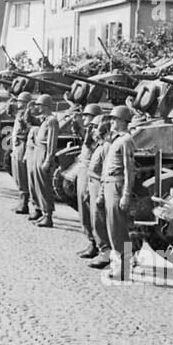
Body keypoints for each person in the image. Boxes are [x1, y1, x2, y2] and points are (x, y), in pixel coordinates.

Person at [101, 105, 136, 274]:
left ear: (123, 121)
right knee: (112, 227)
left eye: (115, 119)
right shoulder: (116, 139)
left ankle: (125, 267)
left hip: (117, 185)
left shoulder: (126, 140)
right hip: (109, 184)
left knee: (119, 228)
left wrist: (126, 195)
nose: (112, 122)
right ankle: (119, 265)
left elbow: (130, 169)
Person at [75, 103, 103, 259]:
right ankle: (91, 241)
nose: (84, 117)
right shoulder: (89, 132)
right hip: (83, 169)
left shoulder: (97, 134)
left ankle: (97, 244)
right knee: (83, 207)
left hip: (90, 173)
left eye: (87, 116)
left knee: (90, 207)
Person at [86, 115, 114, 267]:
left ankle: (106, 252)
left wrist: (101, 194)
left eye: (96, 128)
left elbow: (105, 172)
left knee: (101, 220)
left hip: (100, 186)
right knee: (95, 219)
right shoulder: (100, 145)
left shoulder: (107, 147)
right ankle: (102, 249)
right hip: (93, 185)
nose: (93, 131)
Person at [28, 94, 59, 228]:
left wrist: (48, 159)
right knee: (37, 184)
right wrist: (28, 111)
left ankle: (48, 215)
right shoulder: (44, 120)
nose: (37, 107)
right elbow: (28, 121)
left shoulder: (52, 121)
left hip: (44, 153)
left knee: (44, 185)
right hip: (37, 151)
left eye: (39, 105)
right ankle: (41, 210)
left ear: (46, 106)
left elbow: (52, 142)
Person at [9, 92, 33, 215]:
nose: (18, 103)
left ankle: (24, 203)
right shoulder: (20, 113)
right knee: (17, 174)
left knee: (22, 174)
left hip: (22, 145)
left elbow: (27, 131)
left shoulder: (28, 115)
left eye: (20, 101)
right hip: (16, 145)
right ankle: (21, 200)